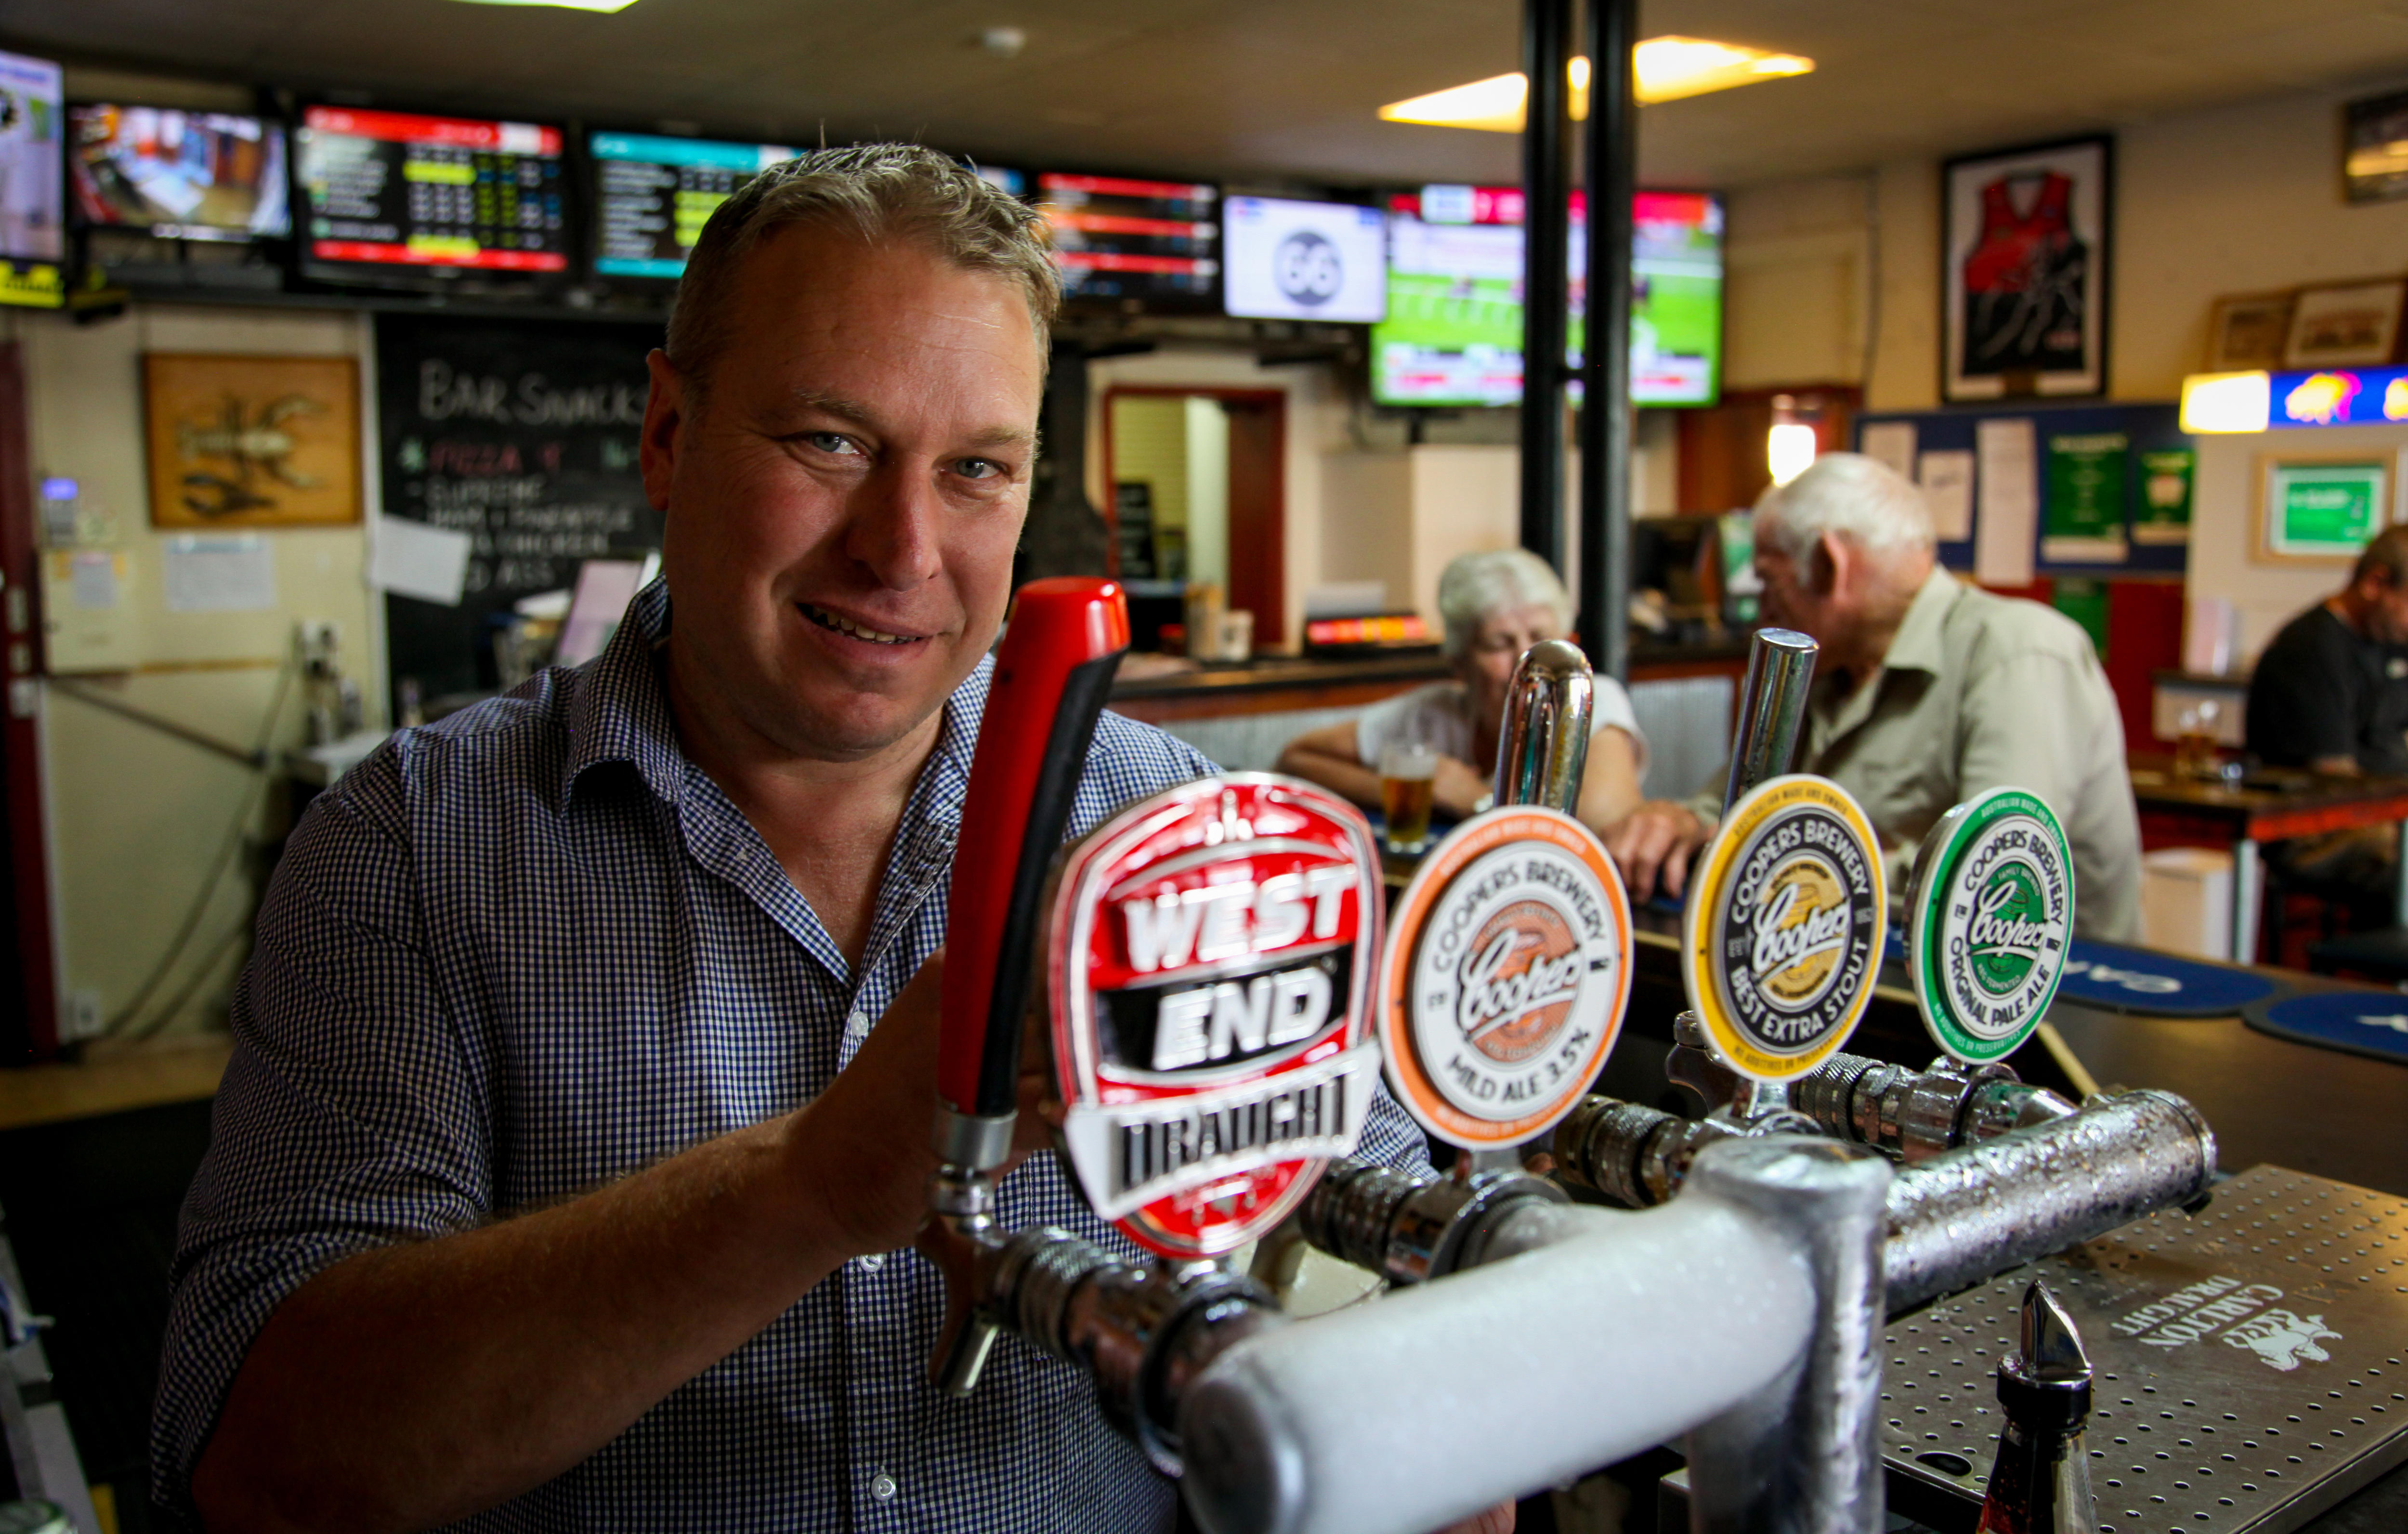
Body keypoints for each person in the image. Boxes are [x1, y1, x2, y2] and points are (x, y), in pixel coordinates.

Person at [153, 146, 1472, 1534]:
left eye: (975, 468)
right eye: (829, 443)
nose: (901, 547)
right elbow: (260, 1451)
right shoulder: (409, 845)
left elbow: (1388, 1259)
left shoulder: (1180, 834)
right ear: (669, 435)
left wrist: (1430, 1413)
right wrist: (811, 1185)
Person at [1605, 452, 2142, 941]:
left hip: (2041, 1012)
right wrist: (1679, 823)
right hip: (1853, 981)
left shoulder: (2017, 652)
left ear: (1827, 566)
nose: (1763, 610)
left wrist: (1784, 869)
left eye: (1769, 581)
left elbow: (1989, 874)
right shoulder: (1827, 668)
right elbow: (1733, 812)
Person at [1275, 549, 1646, 838]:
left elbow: (1601, 825)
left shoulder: (1590, 699)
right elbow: (1296, 758)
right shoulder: (1434, 711)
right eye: (1498, 644)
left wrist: (1477, 802)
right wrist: (1419, 789)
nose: (1525, 660)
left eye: (1540, 638)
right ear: (1459, 662)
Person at [2240, 523, 2408, 906]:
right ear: (2375, 583)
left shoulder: (2393, 641)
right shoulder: (2309, 652)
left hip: (2390, 815)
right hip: (2314, 829)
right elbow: (2336, 784)